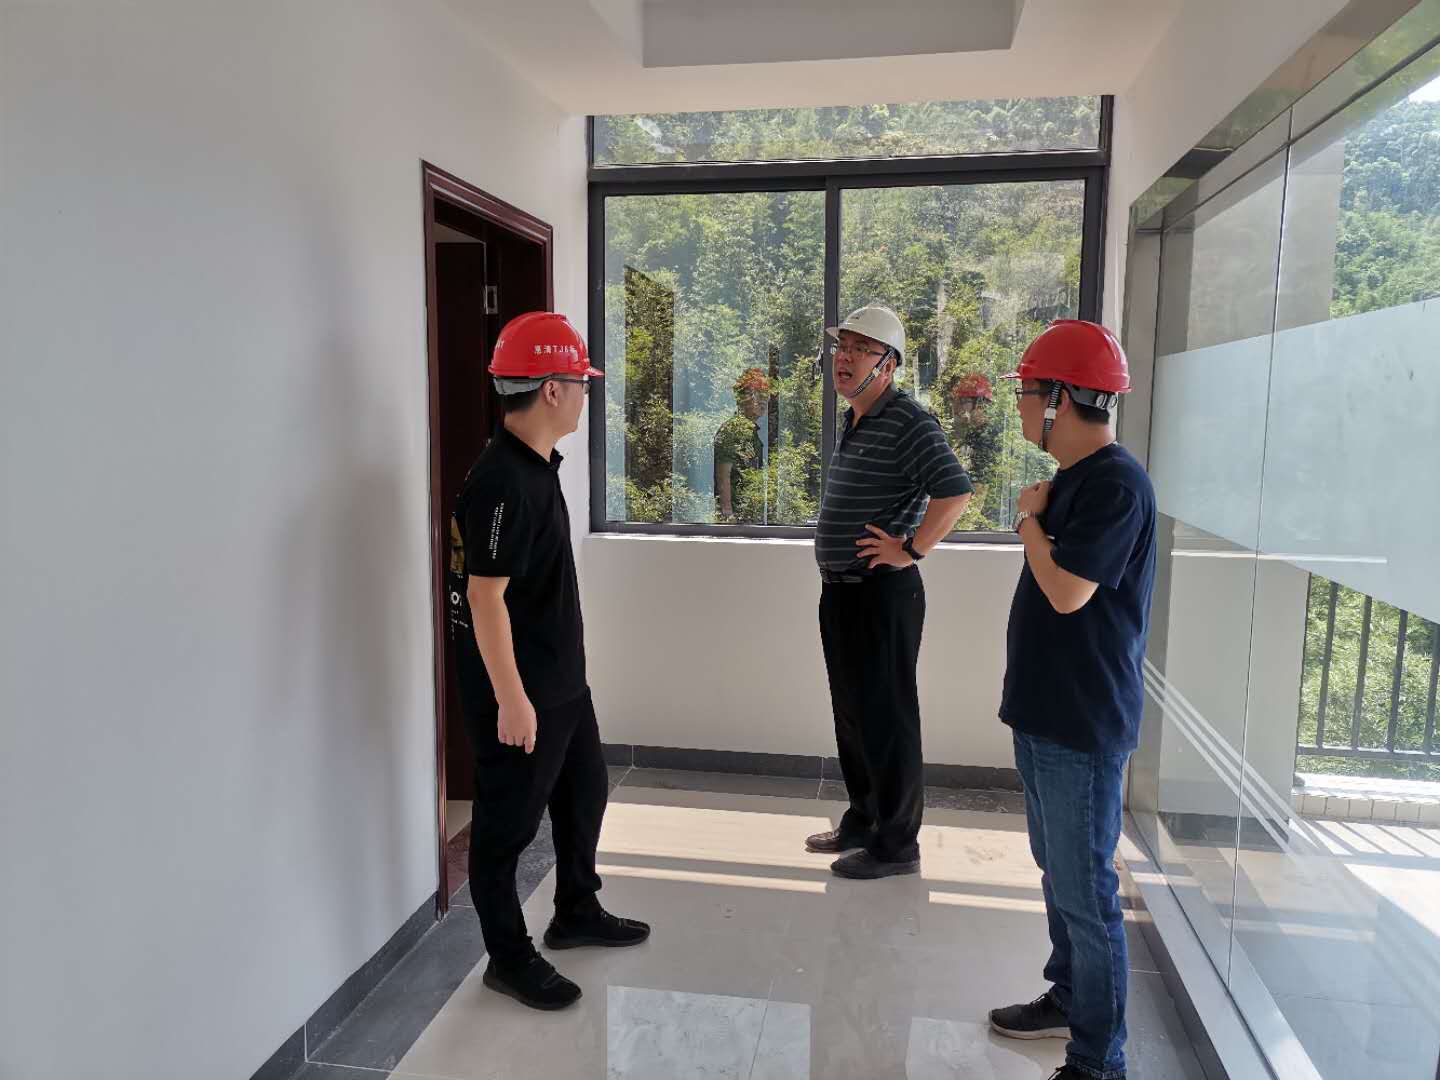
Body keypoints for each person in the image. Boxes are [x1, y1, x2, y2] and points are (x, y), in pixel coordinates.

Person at [448, 311, 650, 1012]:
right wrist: (511, 699)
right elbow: (483, 597)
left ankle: (576, 910)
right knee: (505, 830)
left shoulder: (536, 467)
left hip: (560, 680)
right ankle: (508, 959)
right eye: (581, 382)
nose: (587, 393)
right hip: (521, 691)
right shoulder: (502, 480)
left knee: (584, 791)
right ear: (552, 390)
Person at [987, 320, 1157, 1080]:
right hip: (1045, 711)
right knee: (1059, 875)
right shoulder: (1077, 479)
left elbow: (1066, 592)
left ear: (1060, 398)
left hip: (1082, 723)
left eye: (1028, 392)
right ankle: (1068, 997)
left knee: (1087, 893)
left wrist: (1029, 520)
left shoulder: (1115, 485)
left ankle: (1098, 1060)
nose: (1021, 406)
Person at [806, 304, 973, 879]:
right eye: (842, 347)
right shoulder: (856, 418)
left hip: (882, 594)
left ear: (889, 364)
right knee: (852, 714)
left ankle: (897, 845)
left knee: (887, 718)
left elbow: (955, 491)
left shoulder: (909, 420)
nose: (845, 358)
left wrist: (912, 549)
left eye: (861, 349)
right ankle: (864, 818)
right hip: (842, 592)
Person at [714, 367, 771, 523]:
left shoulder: (752, 432)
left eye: (765, 395)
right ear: (742, 399)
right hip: (737, 520)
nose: (762, 401)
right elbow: (723, 476)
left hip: (750, 516)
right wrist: (728, 515)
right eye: (757, 395)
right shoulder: (731, 431)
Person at [949, 372, 1002, 521]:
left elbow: (981, 486)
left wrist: (966, 520)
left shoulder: (988, 438)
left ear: (979, 404)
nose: (956, 408)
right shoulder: (973, 434)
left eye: (962, 401)